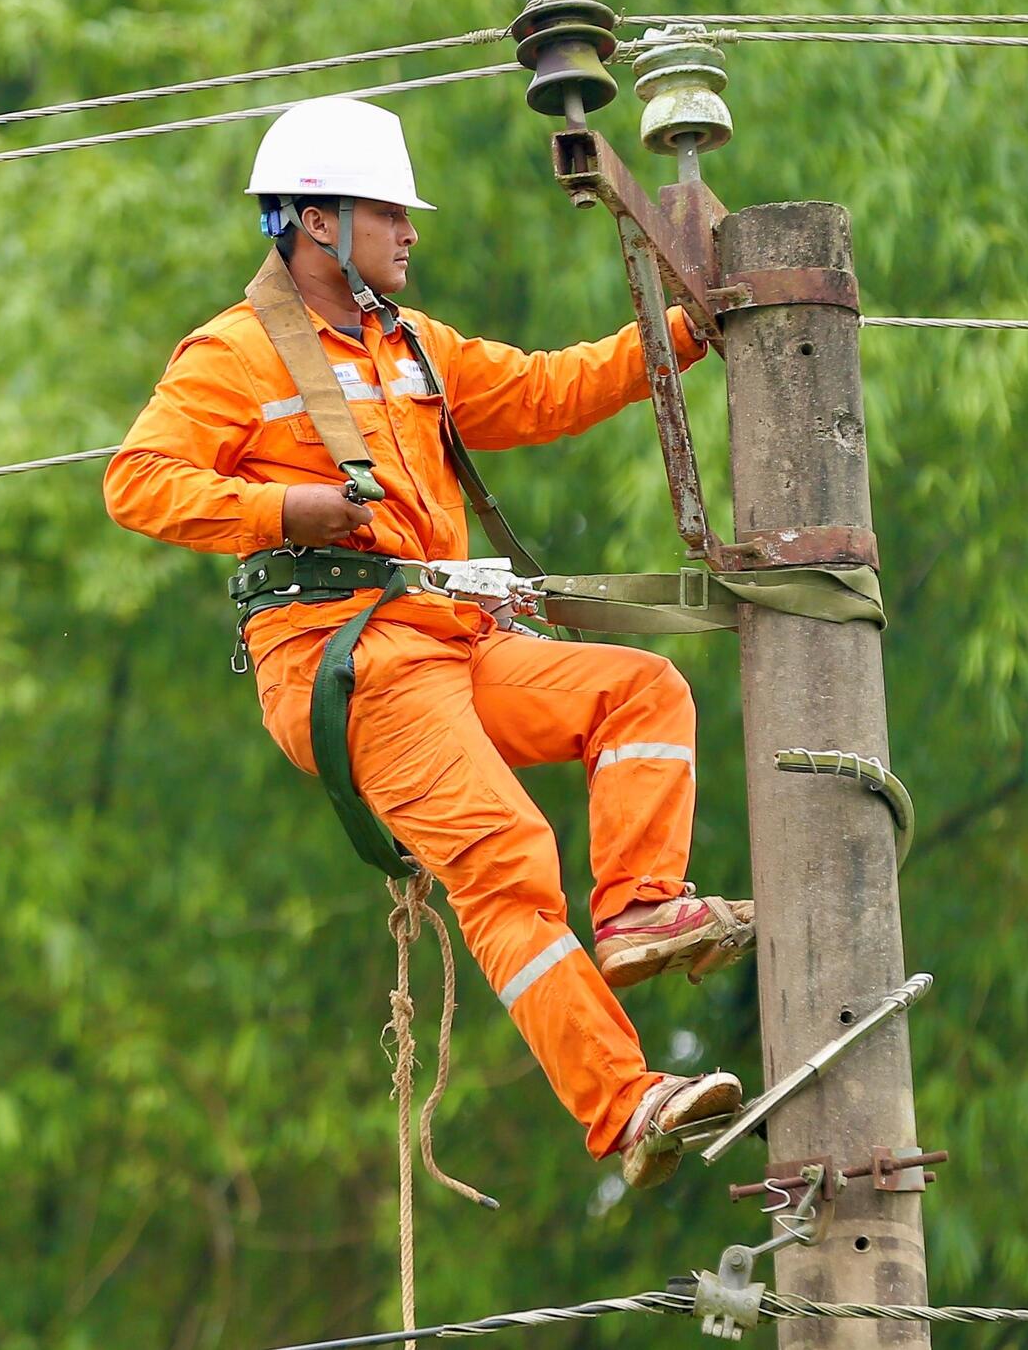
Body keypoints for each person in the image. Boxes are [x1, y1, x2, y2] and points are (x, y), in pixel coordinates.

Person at [104, 94, 753, 1188]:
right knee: (506, 856)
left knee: (639, 693)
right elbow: (137, 482)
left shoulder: (415, 349)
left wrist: (691, 326)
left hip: (447, 641)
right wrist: (286, 511)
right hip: (348, 660)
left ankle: (641, 906)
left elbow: (549, 389)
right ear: (317, 222)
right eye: (389, 213)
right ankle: (623, 1101)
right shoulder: (235, 354)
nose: (411, 232)